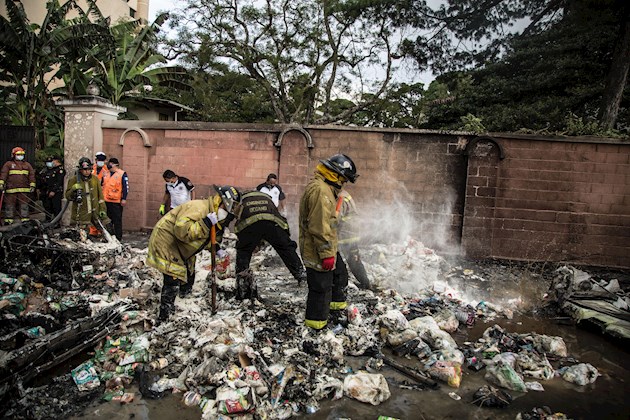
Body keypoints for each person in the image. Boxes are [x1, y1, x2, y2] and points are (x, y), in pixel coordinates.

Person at [146, 185, 240, 322]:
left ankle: (184, 301)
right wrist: (205, 223)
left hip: (182, 247)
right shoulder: (199, 208)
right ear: (219, 202)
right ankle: (165, 315)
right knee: (173, 275)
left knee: (189, 273)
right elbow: (182, 232)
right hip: (167, 242)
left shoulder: (215, 216)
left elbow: (203, 238)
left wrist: (216, 248)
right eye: (226, 209)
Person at [299, 154, 358, 330]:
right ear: (336, 175)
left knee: (338, 275)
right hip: (318, 249)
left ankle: (333, 313)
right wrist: (326, 254)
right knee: (320, 289)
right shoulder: (321, 191)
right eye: (344, 180)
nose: (343, 184)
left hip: (325, 247)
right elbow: (320, 226)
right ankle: (316, 327)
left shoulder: (324, 189)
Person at [233, 190, 306, 292]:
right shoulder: (268, 200)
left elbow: (239, 224)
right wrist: (285, 239)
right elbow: (281, 221)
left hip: (250, 225)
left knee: (244, 251)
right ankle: (300, 274)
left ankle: (242, 284)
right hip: (272, 223)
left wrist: (244, 242)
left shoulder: (242, 200)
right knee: (285, 248)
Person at [64, 157, 109, 235]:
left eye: (89, 169)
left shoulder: (95, 179)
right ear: (80, 170)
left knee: (104, 232)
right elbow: (68, 196)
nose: (87, 171)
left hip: (95, 213)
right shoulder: (74, 180)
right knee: (81, 236)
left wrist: (102, 209)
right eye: (85, 170)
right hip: (81, 215)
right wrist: (73, 189)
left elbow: (100, 197)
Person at [337, 190, 370, 289]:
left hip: (345, 235)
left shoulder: (339, 197)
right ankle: (365, 283)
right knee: (354, 259)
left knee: (351, 260)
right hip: (351, 233)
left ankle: (365, 283)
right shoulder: (344, 193)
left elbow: (336, 219)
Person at [0, 147, 36, 224]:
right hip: (11, 189)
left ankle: (25, 219)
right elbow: (3, 174)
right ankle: (8, 220)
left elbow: (31, 176)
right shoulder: (8, 164)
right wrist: (1, 183)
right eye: (18, 154)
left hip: (24, 190)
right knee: (9, 205)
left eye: (22, 154)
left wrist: (32, 185)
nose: (20, 156)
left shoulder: (27, 165)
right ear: (14, 155)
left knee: (24, 205)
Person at [102, 157, 128, 240]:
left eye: (110, 163)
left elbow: (125, 187)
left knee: (117, 221)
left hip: (116, 201)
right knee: (107, 221)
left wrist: (124, 198)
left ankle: (118, 238)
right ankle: (109, 237)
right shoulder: (106, 173)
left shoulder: (122, 174)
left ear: (115, 164)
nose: (108, 165)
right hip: (106, 201)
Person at [37, 155, 65, 225]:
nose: (52, 162)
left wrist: (53, 191)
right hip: (48, 191)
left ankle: (57, 222)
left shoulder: (60, 170)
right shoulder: (50, 170)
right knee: (48, 207)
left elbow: (59, 182)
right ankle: (48, 220)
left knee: (56, 207)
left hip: (56, 192)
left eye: (53, 161)